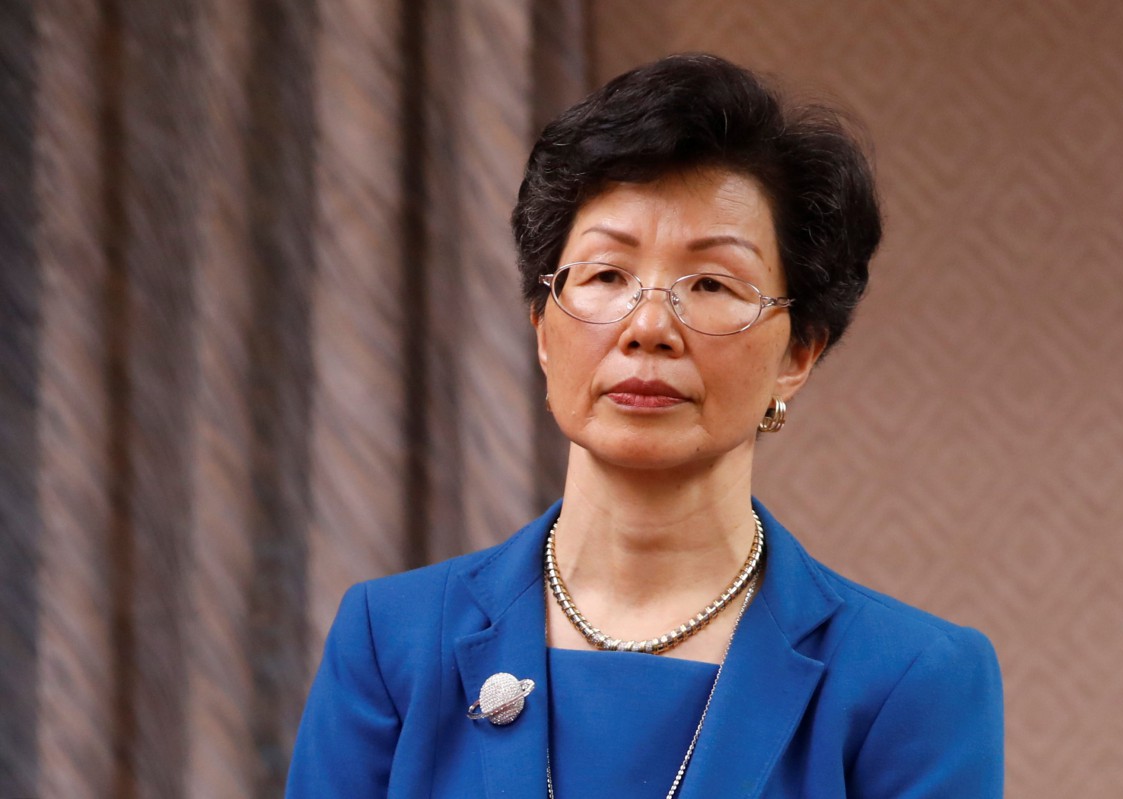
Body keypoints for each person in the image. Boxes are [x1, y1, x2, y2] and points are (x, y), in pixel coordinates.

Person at [286, 53, 1003, 798]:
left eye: (712, 283)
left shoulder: (912, 680)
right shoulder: (391, 642)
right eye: (606, 275)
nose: (649, 326)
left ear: (798, 351)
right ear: (541, 325)